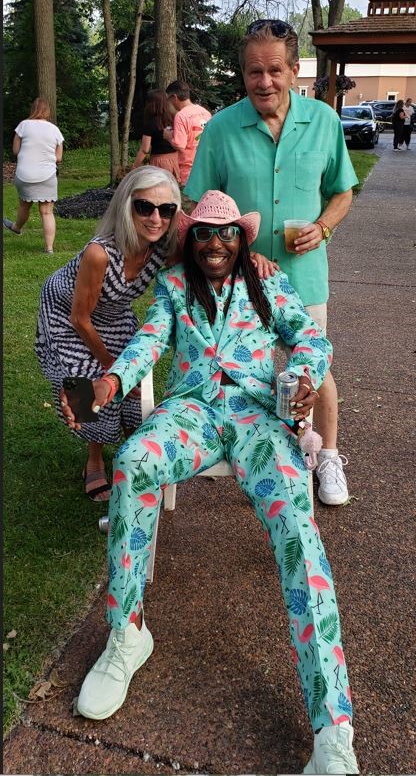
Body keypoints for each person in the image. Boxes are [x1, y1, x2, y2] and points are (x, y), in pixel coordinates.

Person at [62, 191, 359, 775]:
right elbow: (150, 340)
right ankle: (127, 634)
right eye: (203, 233)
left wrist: (302, 376)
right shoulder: (174, 287)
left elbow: (311, 337)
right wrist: (111, 382)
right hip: (192, 414)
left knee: (299, 529)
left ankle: (333, 726)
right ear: (191, 239)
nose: (215, 243)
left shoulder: (268, 284)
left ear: (242, 240)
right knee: (134, 460)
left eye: (227, 233)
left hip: (259, 417)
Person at [184, 19, 359, 506]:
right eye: (254, 71)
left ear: (294, 69)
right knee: (241, 367)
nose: (264, 82)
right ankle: (244, 445)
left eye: (275, 70)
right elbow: (197, 207)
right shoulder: (221, 128)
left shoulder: (324, 121)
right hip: (238, 280)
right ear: (243, 73)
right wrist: (238, 249)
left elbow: (342, 191)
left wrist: (323, 226)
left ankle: (328, 456)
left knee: (315, 367)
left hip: (305, 274)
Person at [35, 166, 181, 501]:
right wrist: (109, 364)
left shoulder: (164, 246)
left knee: (132, 384)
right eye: (144, 207)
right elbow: (79, 318)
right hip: (67, 312)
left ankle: (133, 450)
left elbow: (209, 255)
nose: (155, 218)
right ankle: (94, 459)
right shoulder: (99, 252)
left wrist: (256, 259)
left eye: (166, 209)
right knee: (88, 381)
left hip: (112, 311)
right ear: (126, 207)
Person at [3, 97, 64, 253]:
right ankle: (49, 248)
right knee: (47, 212)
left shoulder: (23, 125)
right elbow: (58, 158)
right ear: (48, 111)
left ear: (33, 110)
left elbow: (16, 151)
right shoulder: (54, 130)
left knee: (25, 204)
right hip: (47, 175)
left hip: (24, 175)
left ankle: (16, 227)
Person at [163, 79, 212, 186]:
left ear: (174, 97)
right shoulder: (205, 112)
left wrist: (168, 137)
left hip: (189, 172)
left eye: (168, 100)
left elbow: (180, 145)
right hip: (207, 168)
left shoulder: (181, 115)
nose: (168, 103)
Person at [131, 89, 180, 181]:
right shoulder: (174, 119)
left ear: (151, 104)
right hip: (176, 159)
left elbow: (145, 149)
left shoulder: (151, 124)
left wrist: (135, 166)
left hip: (159, 161)